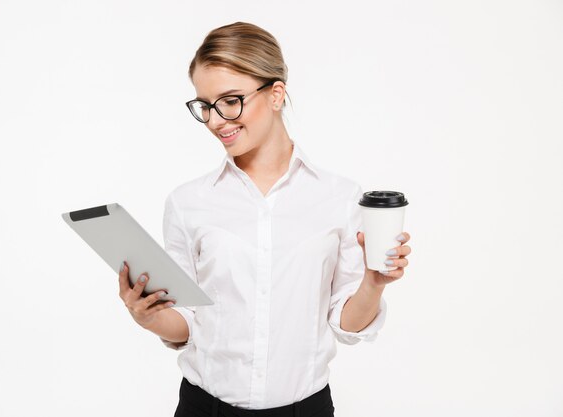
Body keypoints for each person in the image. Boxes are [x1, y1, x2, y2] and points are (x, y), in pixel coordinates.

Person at [118, 21, 412, 417]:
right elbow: (187, 324)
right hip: (205, 408)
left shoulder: (338, 197)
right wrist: (148, 316)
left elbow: (347, 323)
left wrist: (374, 283)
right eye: (205, 105)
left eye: (231, 100)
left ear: (276, 95)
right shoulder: (189, 202)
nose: (216, 120)